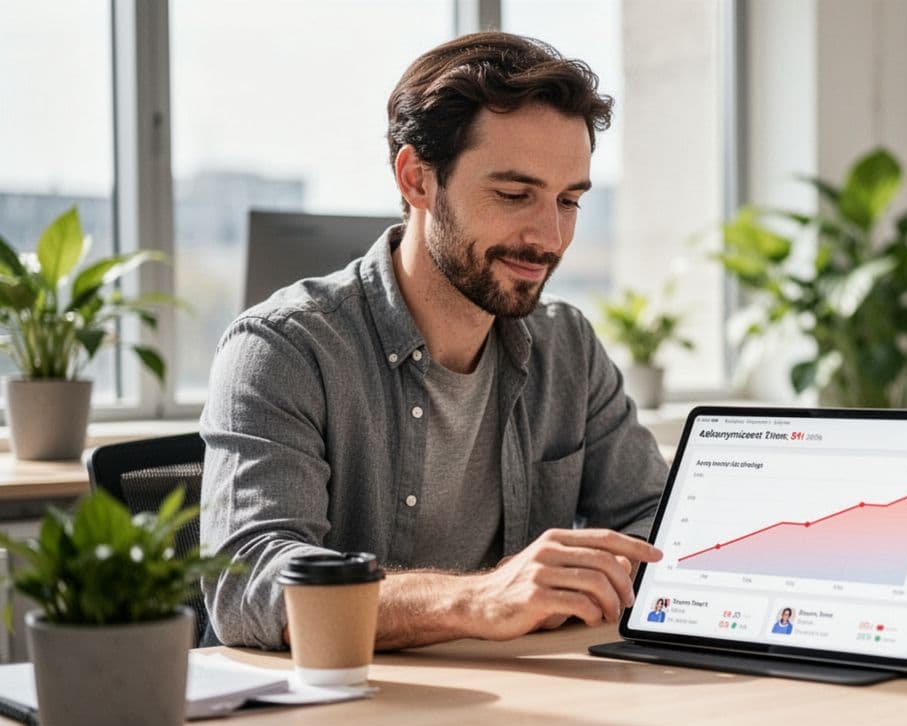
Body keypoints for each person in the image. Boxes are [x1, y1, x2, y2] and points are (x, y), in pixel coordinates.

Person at [200, 32, 666, 651]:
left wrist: (602, 573)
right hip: (347, 703)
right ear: (417, 179)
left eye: (569, 201)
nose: (550, 238)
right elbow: (249, 584)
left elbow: (658, 524)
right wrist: (477, 600)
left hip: (528, 693)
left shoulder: (567, 347)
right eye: (514, 195)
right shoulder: (283, 349)